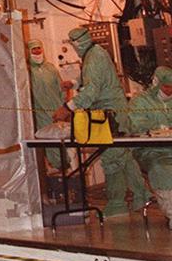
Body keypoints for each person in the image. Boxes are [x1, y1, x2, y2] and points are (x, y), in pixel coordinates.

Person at [53, 26, 149, 217]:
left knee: (111, 157)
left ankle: (116, 204)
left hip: (111, 115)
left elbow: (91, 91)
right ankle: (142, 194)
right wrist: (73, 83)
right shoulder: (95, 53)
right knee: (123, 156)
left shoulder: (94, 57)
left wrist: (67, 108)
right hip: (114, 111)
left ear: (77, 44)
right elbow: (92, 78)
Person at [123, 65, 172, 220]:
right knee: (163, 169)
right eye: (166, 87)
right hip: (151, 151)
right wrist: (160, 129)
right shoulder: (140, 102)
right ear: (156, 83)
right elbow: (136, 126)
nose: (169, 90)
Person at [27, 39, 66, 170]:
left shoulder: (51, 68)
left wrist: (63, 107)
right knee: (48, 142)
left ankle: (63, 167)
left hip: (57, 111)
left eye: (39, 48)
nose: (37, 51)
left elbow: (61, 88)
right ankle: (55, 167)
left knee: (61, 142)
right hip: (40, 113)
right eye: (33, 49)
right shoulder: (27, 71)